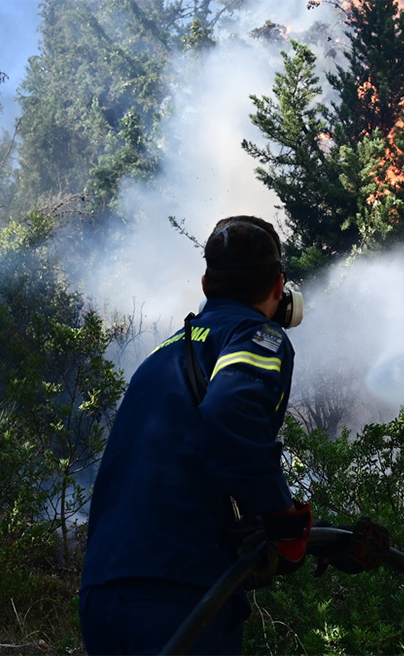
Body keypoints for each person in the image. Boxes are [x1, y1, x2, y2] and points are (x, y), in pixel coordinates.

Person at [80, 215, 311, 655]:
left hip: (104, 593)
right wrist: (283, 517)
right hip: (181, 594)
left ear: (206, 283)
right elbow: (232, 411)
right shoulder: (255, 334)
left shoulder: (163, 353)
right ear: (280, 288)